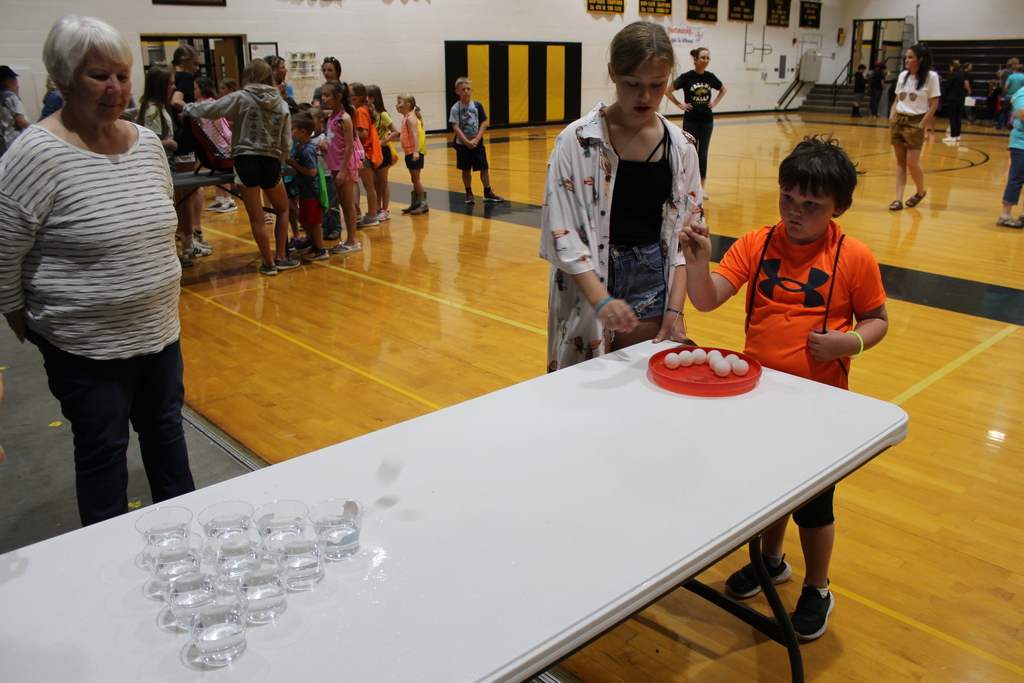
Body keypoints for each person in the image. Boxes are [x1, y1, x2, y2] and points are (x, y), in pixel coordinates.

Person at [680, 135, 889, 640]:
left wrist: (850, 343)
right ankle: (771, 561)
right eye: (787, 198)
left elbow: (878, 319)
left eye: (811, 205)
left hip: (819, 404)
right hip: (760, 396)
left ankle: (818, 586)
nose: (795, 212)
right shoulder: (757, 242)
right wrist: (698, 260)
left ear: (838, 207)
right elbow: (706, 301)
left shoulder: (853, 256)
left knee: (814, 506)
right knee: (771, 489)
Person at [0, 14, 196, 525]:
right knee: (104, 453)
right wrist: (20, 317)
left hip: (159, 334)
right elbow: (3, 249)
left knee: (167, 437)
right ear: (61, 79)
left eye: (122, 74)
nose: (115, 88)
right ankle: (103, 564)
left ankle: (189, 542)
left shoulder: (146, 143)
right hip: (84, 347)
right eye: (98, 75)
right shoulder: (35, 155)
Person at [540, 21, 702, 372]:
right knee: (583, 390)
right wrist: (600, 301)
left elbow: (682, 241)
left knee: (644, 381)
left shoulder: (681, 147)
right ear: (613, 74)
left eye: (657, 85)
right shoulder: (576, 141)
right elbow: (560, 234)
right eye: (633, 84)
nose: (645, 96)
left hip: (649, 275)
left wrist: (674, 311)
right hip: (588, 277)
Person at [183, 59, 297, 276]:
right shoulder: (281, 103)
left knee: (256, 217)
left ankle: (269, 263)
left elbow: (212, 108)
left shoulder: (242, 97)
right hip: (271, 160)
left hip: (246, 161)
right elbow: (286, 139)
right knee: (282, 209)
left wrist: (186, 108)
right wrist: (281, 158)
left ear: (249, 76)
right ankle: (282, 256)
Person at [667, 47, 726, 200]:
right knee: (689, 153)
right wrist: (680, 105)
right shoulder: (687, 77)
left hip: (706, 120)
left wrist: (715, 102)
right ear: (695, 59)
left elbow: (723, 89)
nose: (706, 61)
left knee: (703, 154)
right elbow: (668, 90)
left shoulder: (710, 77)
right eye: (703, 58)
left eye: (708, 58)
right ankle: (687, 187)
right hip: (691, 120)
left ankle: (701, 188)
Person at [889, 44, 940, 210]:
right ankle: (898, 198)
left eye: (911, 57)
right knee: (900, 162)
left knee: (912, 162)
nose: (907, 60)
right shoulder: (903, 75)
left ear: (920, 59)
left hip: (916, 121)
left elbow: (934, 103)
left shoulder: (931, 77)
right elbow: (897, 99)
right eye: (906, 57)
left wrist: (922, 124)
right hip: (899, 120)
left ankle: (920, 191)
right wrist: (891, 117)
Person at [322, 80, 364, 254]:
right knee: (342, 204)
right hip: (334, 165)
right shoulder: (332, 117)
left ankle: (353, 240)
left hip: (345, 167)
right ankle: (348, 239)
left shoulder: (345, 118)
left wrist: (342, 170)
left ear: (338, 96)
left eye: (327, 95)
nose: (323, 98)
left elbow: (349, 146)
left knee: (348, 204)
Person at [450, 77, 504, 204]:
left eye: (468, 89)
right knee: (466, 168)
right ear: (457, 91)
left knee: (483, 167)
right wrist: (467, 142)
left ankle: (488, 192)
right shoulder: (455, 108)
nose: (466, 92)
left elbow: (483, 122)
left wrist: (477, 139)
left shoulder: (477, 105)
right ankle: (469, 192)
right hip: (463, 144)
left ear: (472, 90)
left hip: (477, 143)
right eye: (463, 89)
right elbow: (456, 127)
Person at [286, 112, 330, 259]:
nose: (290, 132)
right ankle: (313, 243)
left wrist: (294, 164)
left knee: (314, 222)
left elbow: (312, 172)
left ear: (302, 131)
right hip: (304, 192)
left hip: (312, 193)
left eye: (292, 129)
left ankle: (321, 249)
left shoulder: (308, 150)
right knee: (306, 221)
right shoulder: (300, 146)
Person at [350, 82, 382, 228]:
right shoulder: (360, 109)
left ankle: (371, 215)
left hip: (365, 152)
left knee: (369, 186)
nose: (349, 98)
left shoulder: (360, 111)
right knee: (368, 185)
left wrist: (348, 131)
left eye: (351, 96)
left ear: (360, 97)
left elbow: (363, 133)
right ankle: (369, 214)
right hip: (364, 152)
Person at [368, 84, 399, 222]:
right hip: (371, 150)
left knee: (383, 181)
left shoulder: (383, 115)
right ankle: (376, 207)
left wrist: (383, 141)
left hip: (382, 150)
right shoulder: (367, 114)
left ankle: (385, 210)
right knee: (374, 182)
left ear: (372, 99)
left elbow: (395, 131)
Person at [996, 86, 1024, 228]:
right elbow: (1023, 114)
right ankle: (1005, 215)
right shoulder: (1021, 93)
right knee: (1017, 177)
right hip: (1021, 143)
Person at [397, 93, 428, 215]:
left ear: (407, 105)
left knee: (416, 179)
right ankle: (416, 203)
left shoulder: (410, 117)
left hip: (413, 152)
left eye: (399, 103)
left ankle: (423, 204)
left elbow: (416, 135)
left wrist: (415, 151)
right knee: (414, 178)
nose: (397, 105)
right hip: (408, 152)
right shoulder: (407, 117)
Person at [0, 65, 31, 156]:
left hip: (3, 141)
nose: (17, 86)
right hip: (15, 139)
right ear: (7, 82)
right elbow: (20, 121)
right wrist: (39, 129)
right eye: (15, 83)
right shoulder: (11, 96)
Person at [943, 61, 970, 142]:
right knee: (958, 117)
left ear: (952, 66)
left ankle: (953, 135)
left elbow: (946, 87)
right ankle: (957, 135)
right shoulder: (962, 75)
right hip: (961, 98)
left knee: (952, 117)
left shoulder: (951, 75)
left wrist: (945, 96)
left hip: (952, 99)